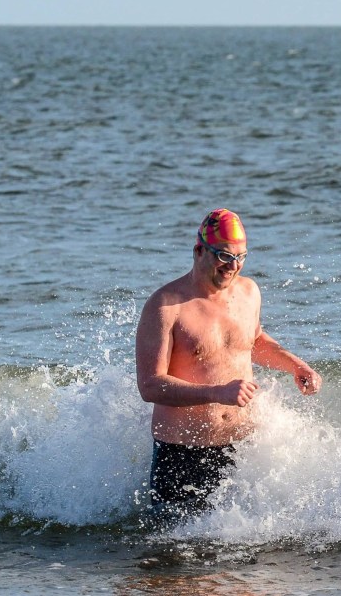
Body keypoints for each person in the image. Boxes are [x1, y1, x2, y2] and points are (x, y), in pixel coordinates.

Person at [136, 208, 322, 516]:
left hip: (242, 450)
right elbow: (151, 386)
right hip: (182, 455)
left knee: (241, 557)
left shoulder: (249, 292)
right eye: (224, 256)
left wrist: (294, 365)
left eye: (241, 257)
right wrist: (216, 392)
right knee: (170, 561)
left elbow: (254, 340)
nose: (232, 267)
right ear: (199, 251)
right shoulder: (166, 306)